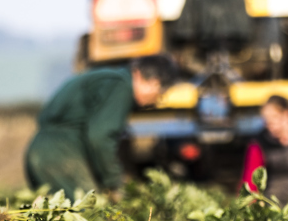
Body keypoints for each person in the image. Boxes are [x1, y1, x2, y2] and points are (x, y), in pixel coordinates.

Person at [25, 55, 177, 198]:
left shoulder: (107, 79)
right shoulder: (120, 85)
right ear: (149, 80)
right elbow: (100, 137)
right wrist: (114, 183)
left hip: (41, 149)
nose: (155, 100)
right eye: (158, 91)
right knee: (90, 213)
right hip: (60, 153)